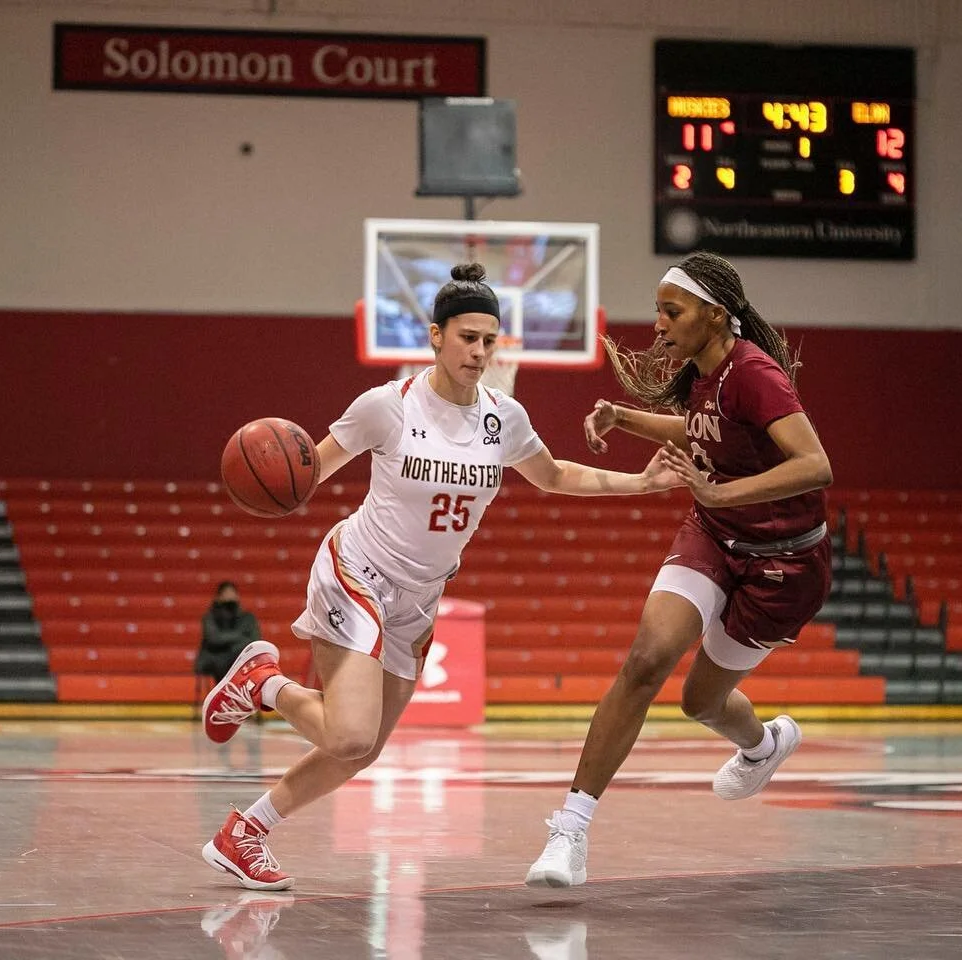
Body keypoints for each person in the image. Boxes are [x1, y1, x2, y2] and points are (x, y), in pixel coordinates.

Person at [197, 263, 682, 890]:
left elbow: (556, 475)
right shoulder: (388, 406)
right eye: (467, 338)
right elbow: (310, 468)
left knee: (363, 749)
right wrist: (270, 468)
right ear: (435, 336)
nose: (479, 351)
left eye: (489, 339)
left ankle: (245, 832)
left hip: (420, 598)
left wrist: (640, 482)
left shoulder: (504, 419)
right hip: (358, 571)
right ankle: (261, 682)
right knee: (348, 734)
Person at [524, 250, 834, 887]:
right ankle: (570, 831)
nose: (658, 324)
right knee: (645, 660)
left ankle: (765, 744)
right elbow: (700, 429)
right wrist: (622, 416)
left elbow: (815, 465)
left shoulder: (755, 374)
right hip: (713, 538)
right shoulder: (701, 373)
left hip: (784, 564)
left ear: (716, 315)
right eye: (657, 311)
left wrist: (720, 493)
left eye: (672, 311)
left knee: (701, 700)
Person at [195, 581, 263, 683]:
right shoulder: (210, 617)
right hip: (214, 656)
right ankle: (226, 692)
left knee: (240, 657)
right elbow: (214, 639)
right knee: (224, 661)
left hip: (238, 656)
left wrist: (229, 640)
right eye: (226, 593)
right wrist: (239, 636)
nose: (229, 596)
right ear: (218, 597)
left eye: (232, 593)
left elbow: (254, 640)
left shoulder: (247, 618)